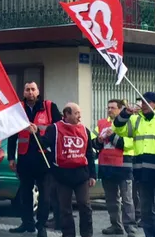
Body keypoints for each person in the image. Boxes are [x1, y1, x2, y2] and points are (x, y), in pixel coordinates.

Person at [8, 82, 62, 237]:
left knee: (45, 196)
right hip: (24, 158)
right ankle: (27, 223)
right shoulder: (18, 109)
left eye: (33, 89)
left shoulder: (49, 107)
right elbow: (12, 135)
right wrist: (11, 157)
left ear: (38, 92)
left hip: (43, 157)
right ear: (23, 92)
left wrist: (39, 132)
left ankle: (41, 226)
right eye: (27, 90)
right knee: (25, 194)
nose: (30, 92)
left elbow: (58, 130)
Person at [113, 92, 155, 237]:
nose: (143, 105)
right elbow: (118, 128)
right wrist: (125, 113)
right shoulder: (135, 120)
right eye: (142, 103)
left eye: (146, 102)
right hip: (142, 173)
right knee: (145, 210)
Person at [42, 102, 96, 237]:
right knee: (65, 209)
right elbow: (43, 144)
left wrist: (92, 175)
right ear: (66, 114)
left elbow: (89, 153)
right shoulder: (54, 129)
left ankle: (87, 234)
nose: (79, 116)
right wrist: (35, 133)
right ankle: (68, 234)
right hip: (62, 175)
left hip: (81, 174)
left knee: (85, 205)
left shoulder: (85, 130)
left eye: (80, 113)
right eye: (76, 113)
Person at [91, 99, 137, 236]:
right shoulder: (101, 123)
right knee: (111, 199)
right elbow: (92, 142)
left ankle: (130, 228)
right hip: (106, 166)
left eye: (113, 108)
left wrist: (113, 137)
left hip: (123, 164)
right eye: (108, 107)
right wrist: (98, 141)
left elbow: (130, 143)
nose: (109, 110)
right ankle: (116, 225)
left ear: (120, 109)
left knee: (127, 199)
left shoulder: (129, 122)